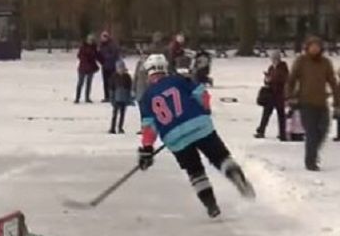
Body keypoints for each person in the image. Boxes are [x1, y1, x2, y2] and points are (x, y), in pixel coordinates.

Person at [137, 54, 254, 218]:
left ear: (148, 72)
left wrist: (147, 149)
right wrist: (205, 109)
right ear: (165, 68)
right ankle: (233, 173)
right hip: (199, 126)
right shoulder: (179, 80)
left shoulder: (146, 98)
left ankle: (211, 205)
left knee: (195, 172)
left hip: (175, 139)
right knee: (220, 157)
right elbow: (202, 94)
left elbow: (149, 127)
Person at [285, 36, 338, 171]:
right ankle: (310, 161)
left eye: (317, 46)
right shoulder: (301, 61)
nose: (315, 49)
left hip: (321, 102)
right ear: (307, 48)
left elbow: (332, 81)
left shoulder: (326, 63)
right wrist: (289, 96)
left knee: (323, 129)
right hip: (306, 102)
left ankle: (313, 152)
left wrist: (337, 101)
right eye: (312, 46)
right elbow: (291, 80)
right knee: (311, 133)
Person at [255, 51, 289, 140]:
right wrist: (267, 79)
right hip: (270, 95)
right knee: (266, 114)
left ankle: (282, 133)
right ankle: (261, 131)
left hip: (279, 95)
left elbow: (284, 79)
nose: (273, 61)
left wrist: (272, 79)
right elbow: (267, 80)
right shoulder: (271, 68)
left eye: (275, 59)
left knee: (281, 115)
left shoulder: (283, 67)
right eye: (272, 59)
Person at [109, 59, 133, 134]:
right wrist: (111, 98)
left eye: (122, 68)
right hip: (116, 98)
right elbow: (111, 88)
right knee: (115, 114)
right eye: (119, 68)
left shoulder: (127, 77)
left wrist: (129, 98)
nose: (120, 69)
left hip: (124, 98)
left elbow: (129, 88)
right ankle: (112, 128)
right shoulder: (114, 76)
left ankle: (120, 127)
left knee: (122, 114)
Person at [97, 31, 120, 101]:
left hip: (112, 66)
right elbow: (99, 55)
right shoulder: (101, 45)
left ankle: (113, 96)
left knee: (112, 82)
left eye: (105, 37)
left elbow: (115, 54)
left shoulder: (112, 44)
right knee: (105, 82)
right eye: (102, 37)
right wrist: (101, 61)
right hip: (105, 66)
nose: (103, 38)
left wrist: (107, 57)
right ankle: (107, 96)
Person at [75, 34, 99, 103]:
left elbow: (97, 56)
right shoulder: (83, 47)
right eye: (89, 40)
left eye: (92, 40)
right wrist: (86, 59)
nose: (90, 41)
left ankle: (87, 97)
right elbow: (79, 55)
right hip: (83, 68)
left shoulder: (94, 48)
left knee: (89, 83)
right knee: (80, 83)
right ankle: (77, 97)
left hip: (90, 68)